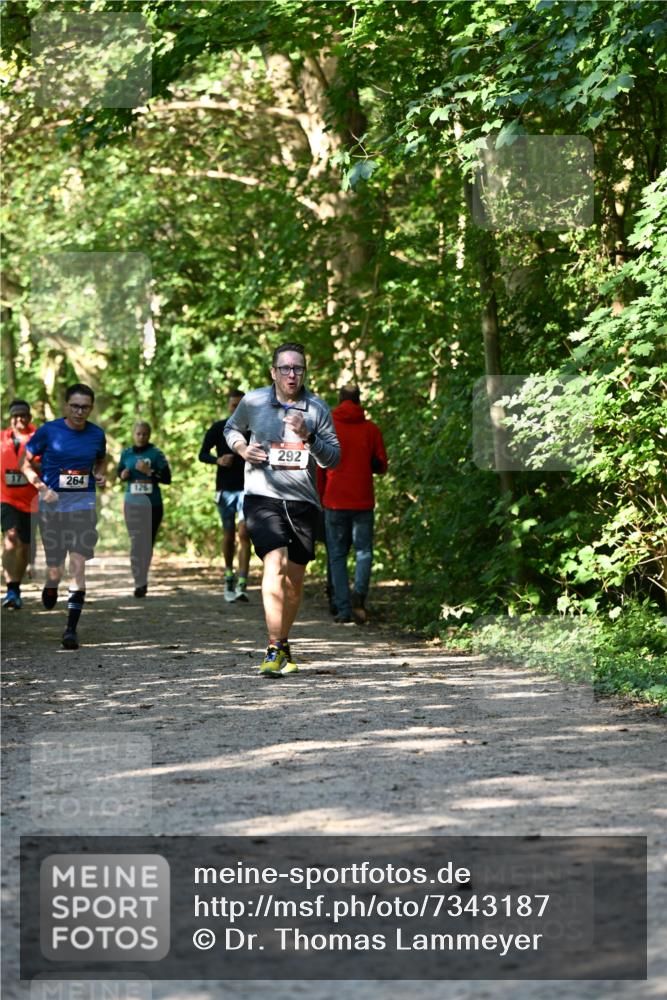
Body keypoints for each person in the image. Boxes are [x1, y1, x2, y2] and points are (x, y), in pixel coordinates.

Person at [224, 342, 340, 676]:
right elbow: (231, 428)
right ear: (273, 372)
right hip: (262, 495)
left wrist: (309, 438)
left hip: (303, 500)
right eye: (286, 368)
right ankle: (274, 648)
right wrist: (243, 448)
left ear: (305, 372)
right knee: (274, 564)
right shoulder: (254, 401)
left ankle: (283, 641)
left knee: (295, 580)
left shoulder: (317, 408)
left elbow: (334, 458)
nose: (292, 374)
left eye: (298, 368)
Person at [22, 383, 106, 649]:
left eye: (85, 407)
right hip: (52, 508)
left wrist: (100, 473)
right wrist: (42, 488)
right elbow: (24, 464)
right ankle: (51, 582)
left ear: (91, 408)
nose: (80, 411)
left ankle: (70, 629)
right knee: (56, 568)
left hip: (83, 506)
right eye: (75, 406)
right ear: (66, 406)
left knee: (78, 565)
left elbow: (101, 459)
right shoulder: (48, 431)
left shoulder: (96, 434)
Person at [321, 384, 388, 624]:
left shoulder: (328, 427)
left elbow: (319, 466)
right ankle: (359, 595)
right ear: (359, 401)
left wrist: (320, 496)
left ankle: (343, 609)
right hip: (363, 500)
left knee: (337, 555)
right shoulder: (371, 429)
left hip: (334, 499)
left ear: (339, 401)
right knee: (364, 552)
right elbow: (381, 466)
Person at [199, 389, 250, 602]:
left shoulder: (253, 429)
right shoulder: (219, 428)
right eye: (233, 405)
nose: (237, 408)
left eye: (241, 405)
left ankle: (242, 583)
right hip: (225, 490)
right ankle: (229, 574)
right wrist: (217, 461)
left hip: (249, 489)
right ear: (228, 407)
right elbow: (202, 454)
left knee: (245, 534)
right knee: (228, 535)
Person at [117, 421, 171, 598]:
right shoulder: (126, 453)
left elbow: (167, 478)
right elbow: (119, 473)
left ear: (149, 435)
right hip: (132, 503)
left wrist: (149, 472)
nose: (141, 437)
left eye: (145, 434)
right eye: (138, 434)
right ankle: (138, 580)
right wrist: (122, 475)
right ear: (134, 434)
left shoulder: (156, 454)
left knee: (147, 543)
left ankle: (144, 578)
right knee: (135, 542)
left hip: (153, 504)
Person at [1, 400, 38, 609]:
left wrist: (34, 465)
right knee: (10, 537)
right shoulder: (1, 439)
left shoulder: (39, 439)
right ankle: (11, 590)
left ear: (29, 417)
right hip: (5, 498)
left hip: (32, 502)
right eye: (15, 415)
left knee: (24, 547)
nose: (19, 419)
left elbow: (50, 466)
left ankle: (17, 588)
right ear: (10, 418)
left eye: (23, 415)